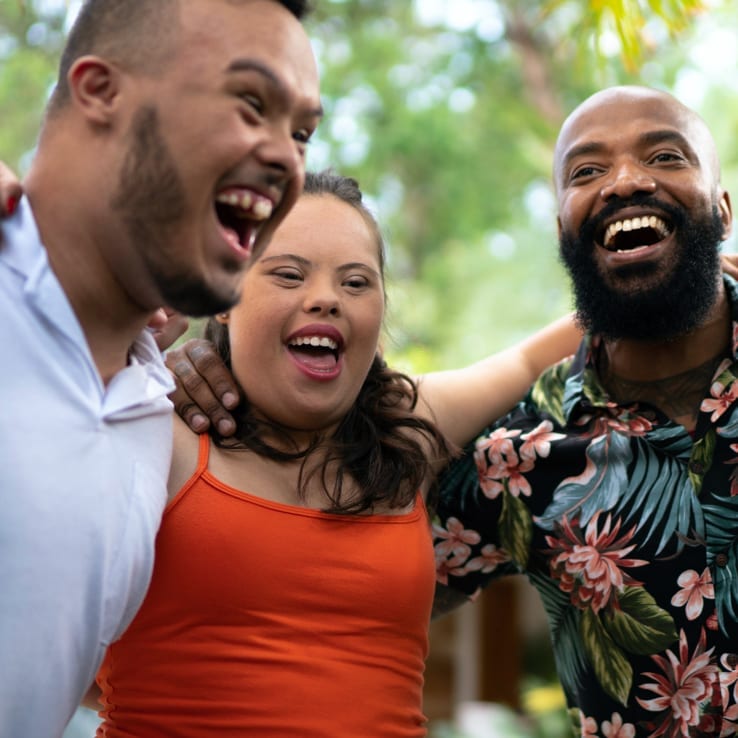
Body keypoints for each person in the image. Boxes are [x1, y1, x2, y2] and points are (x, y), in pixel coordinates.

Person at [74, 169, 580, 737]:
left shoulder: (408, 425)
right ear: (221, 297)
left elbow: (532, 359)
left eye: (357, 283)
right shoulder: (152, 428)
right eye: (288, 274)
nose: (325, 299)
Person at [0, 0, 321, 735]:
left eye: (302, 132)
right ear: (100, 90)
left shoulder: (154, 415)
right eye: (250, 102)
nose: (287, 158)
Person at [431, 86, 738, 737]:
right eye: (587, 170)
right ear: (564, 226)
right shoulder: (514, 453)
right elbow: (360, 584)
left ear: (723, 207)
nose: (626, 181)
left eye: (664, 154)